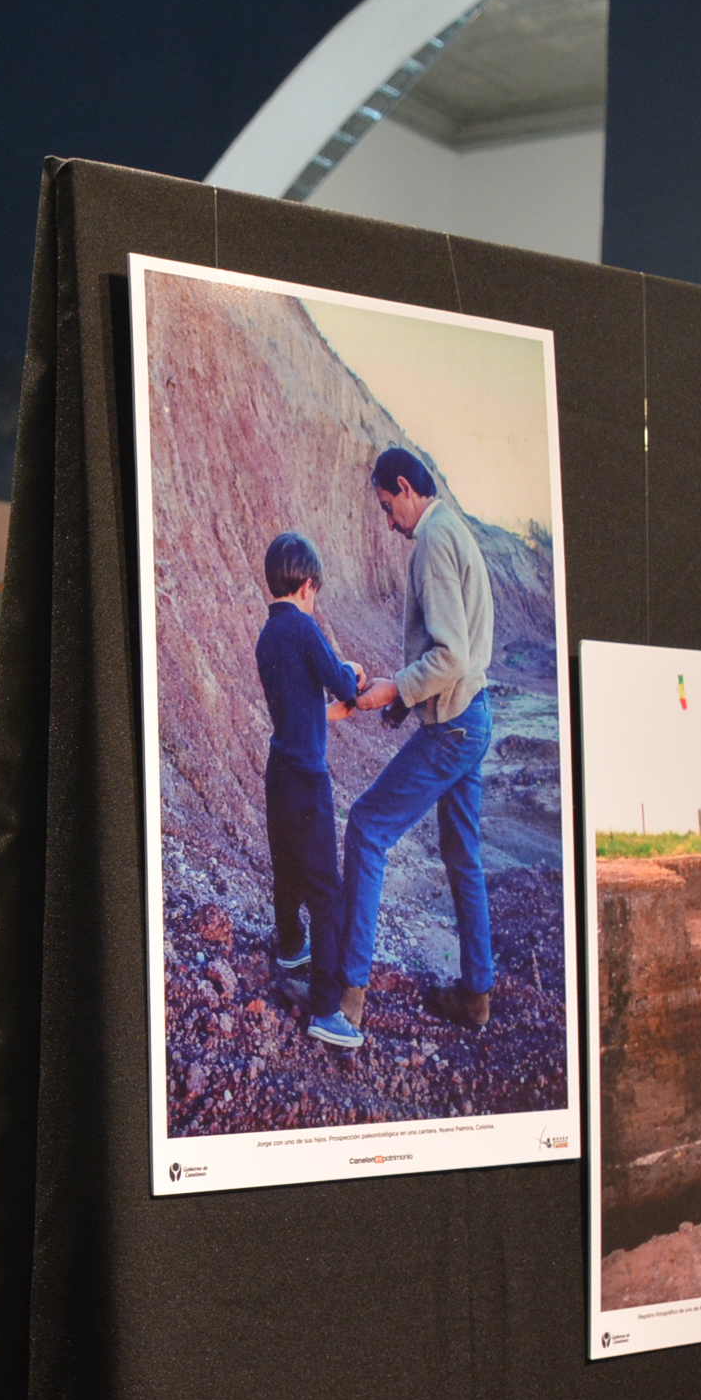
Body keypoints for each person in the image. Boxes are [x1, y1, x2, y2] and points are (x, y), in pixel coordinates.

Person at [327, 445, 492, 1045]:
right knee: (464, 854)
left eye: (385, 506)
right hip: (472, 715)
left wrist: (397, 688)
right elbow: (459, 657)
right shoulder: (456, 531)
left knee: (367, 827)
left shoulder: (431, 542)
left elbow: (449, 655)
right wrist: (399, 698)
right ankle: (476, 995)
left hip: (453, 727)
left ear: (404, 487)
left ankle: (348, 1002)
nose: (387, 522)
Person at [241, 531, 372, 1047]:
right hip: (308, 780)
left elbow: (297, 705)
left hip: (279, 772)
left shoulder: (266, 637)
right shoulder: (304, 627)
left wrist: (327, 714)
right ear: (308, 584)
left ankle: (291, 948)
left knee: (288, 872)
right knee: (327, 893)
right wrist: (353, 673)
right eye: (315, 590)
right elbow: (342, 685)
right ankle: (324, 1009)